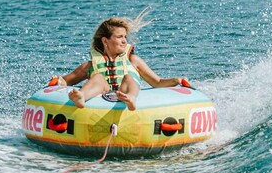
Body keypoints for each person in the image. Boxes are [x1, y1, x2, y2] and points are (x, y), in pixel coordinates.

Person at [52, 10, 188, 111]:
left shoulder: (133, 60)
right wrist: (58, 81)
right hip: (102, 96)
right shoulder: (91, 65)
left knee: (129, 77)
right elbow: (66, 81)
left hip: (125, 92)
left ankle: (131, 99)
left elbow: (157, 82)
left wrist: (175, 80)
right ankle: (82, 97)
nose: (124, 41)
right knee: (98, 77)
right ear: (105, 41)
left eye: (125, 37)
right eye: (119, 37)